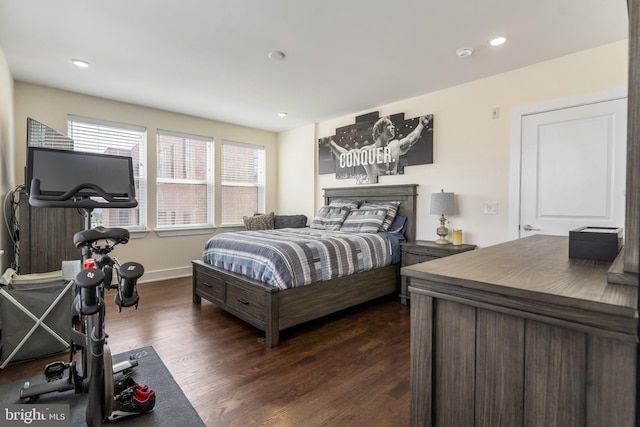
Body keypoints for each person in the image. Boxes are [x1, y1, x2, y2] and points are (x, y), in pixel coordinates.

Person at [328, 115, 432, 183]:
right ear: (379, 131)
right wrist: (331, 142)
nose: (393, 127)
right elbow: (345, 156)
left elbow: (411, 138)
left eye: (392, 125)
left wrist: (421, 124)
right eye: (388, 125)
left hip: (398, 189)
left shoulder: (394, 146)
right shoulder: (368, 152)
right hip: (376, 191)